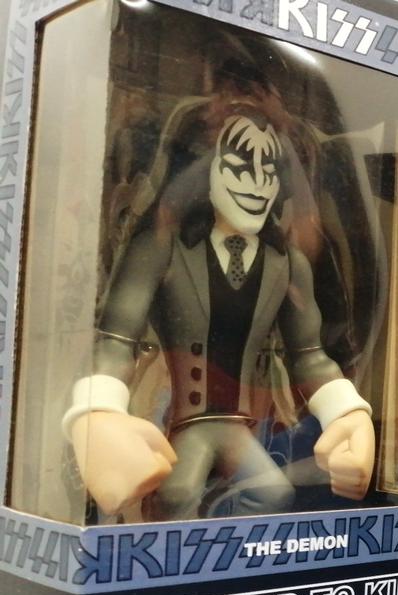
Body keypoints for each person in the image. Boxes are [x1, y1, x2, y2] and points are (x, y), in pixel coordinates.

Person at [64, 100, 375, 520]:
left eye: (269, 171)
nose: (258, 183)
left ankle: (237, 554)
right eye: (239, 166)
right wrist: (97, 412)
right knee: (176, 493)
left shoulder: (286, 264)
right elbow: (117, 338)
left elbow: (309, 355)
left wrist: (348, 411)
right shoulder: (161, 249)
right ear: (201, 171)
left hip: (240, 424)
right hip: (181, 419)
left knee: (273, 495)